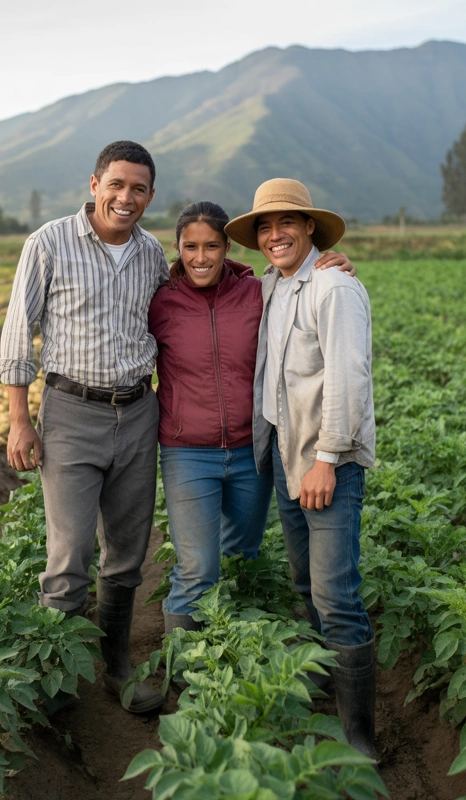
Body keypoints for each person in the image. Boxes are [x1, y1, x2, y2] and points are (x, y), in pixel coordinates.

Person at [0, 140, 167, 715]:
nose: (126, 197)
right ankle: (56, 686)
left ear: (149, 195)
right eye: (116, 185)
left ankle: (116, 665)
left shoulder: (152, 255)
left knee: (127, 551)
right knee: (68, 555)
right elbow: (19, 332)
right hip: (71, 412)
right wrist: (20, 420)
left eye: (138, 188)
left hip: (139, 412)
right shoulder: (49, 243)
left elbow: (195, 297)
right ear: (94, 184)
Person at [224, 178, 378, 758]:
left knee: (337, 596)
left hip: (323, 465)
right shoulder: (272, 285)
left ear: (310, 226)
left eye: (286, 222)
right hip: (285, 456)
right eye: (264, 227)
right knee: (305, 586)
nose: (273, 235)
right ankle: (322, 695)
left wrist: (327, 461)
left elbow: (348, 378)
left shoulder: (332, 287)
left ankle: (359, 740)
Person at [148, 203, 352, 635]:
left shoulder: (257, 291)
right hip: (187, 453)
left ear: (227, 248)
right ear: (177, 249)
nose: (201, 256)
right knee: (198, 569)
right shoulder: (159, 301)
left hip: (250, 451)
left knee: (243, 557)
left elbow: (302, 278)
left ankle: (237, 655)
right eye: (190, 247)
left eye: (211, 246)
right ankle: (186, 678)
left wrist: (333, 264)